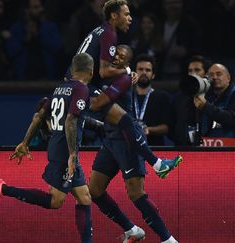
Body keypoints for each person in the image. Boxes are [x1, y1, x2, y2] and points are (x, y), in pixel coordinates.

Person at [0, 53, 94, 243]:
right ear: (91, 71)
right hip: (64, 151)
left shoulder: (61, 88)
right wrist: (73, 154)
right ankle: (3, 188)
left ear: (73, 70)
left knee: (84, 197)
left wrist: (25, 142)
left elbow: (39, 116)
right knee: (55, 201)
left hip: (59, 147)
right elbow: (71, 120)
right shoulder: (82, 89)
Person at [69, 0, 182, 177]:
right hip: (81, 85)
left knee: (122, 121)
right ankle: (157, 164)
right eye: (126, 14)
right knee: (127, 121)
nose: (130, 18)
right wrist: (129, 71)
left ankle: (157, 164)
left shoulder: (100, 30)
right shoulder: (110, 34)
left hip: (75, 84)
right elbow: (105, 71)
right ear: (114, 16)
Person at [89, 45, 179, 243]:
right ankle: (131, 229)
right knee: (94, 190)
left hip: (126, 141)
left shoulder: (123, 79)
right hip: (110, 140)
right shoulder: (103, 75)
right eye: (115, 54)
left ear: (127, 64)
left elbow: (96, 104)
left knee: (136, 193)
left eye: (123, 57)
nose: (117, 58)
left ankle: (168, 240)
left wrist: (79, 96)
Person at [193, 63, 235, 146]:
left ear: (228, 78)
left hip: (232, 150)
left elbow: (232, 118)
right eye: (211, 75)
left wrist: (205, 106)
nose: (215, 77)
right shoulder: (207, 96)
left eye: (219, 74)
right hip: (208, 148)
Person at [6, 0, 62, 80]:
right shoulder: (17, 28)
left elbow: (58, 48)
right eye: (36, 7)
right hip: (23, 77)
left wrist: (39, 35)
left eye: (40, 7)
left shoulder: (50, 27)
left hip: (46, 76)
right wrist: (25, 39)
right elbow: (11, 52)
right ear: (27, 10)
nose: (41, 9)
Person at [171, 55, 210, 146]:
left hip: (207, 149)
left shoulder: (212, 97)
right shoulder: (179, 98)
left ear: (206, 73)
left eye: (197, 70)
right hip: (183, 149)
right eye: (190, 71)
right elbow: (172, 125)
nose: (193, 73)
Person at [132, 54, 171, 146]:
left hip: (156, 148)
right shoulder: (126, 96)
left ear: (153, 75)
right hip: (129, 149)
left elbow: (166, 127)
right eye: (140, 69)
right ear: (134, 73)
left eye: (148, 70)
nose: (144, 72)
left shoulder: (163, 97)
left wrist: (148, 130)